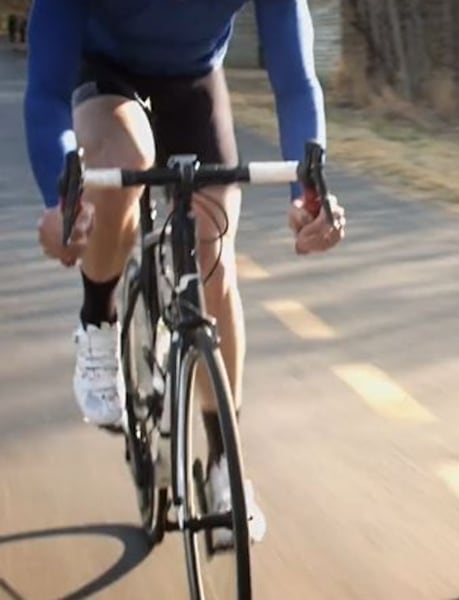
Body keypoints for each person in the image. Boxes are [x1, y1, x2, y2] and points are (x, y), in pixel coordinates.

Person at [25, 0, 347, 549]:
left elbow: (296, 81)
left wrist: (308, 193)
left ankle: (226, 466)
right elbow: (46, 94)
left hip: (194, 77)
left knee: (212, 249)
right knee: (124, 157)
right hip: (104, 75)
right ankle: (98, 320)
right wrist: (61, 201)